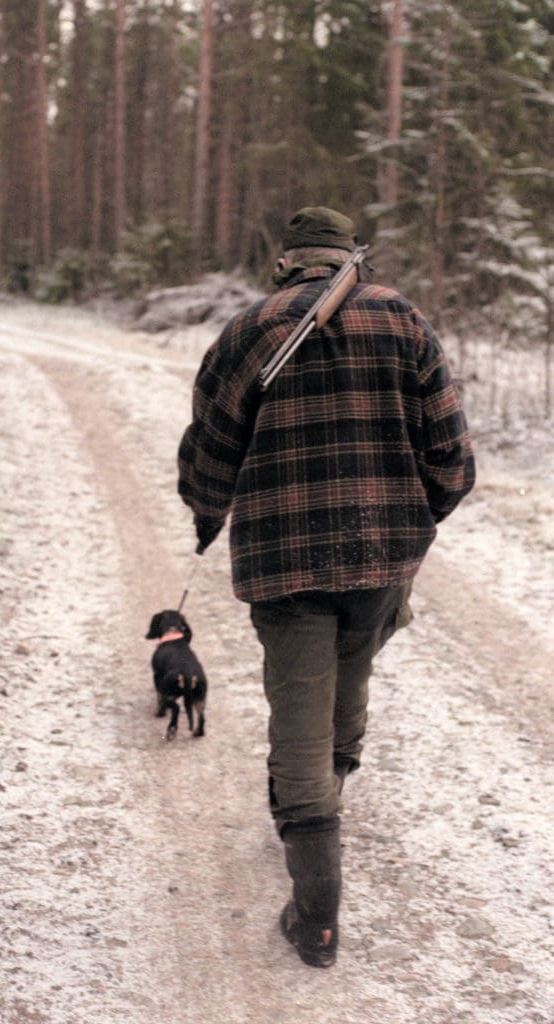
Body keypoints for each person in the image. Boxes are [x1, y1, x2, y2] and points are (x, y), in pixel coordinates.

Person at [177, 206, 475, 968]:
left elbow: (211, 448)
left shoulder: (249, 330)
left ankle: (315, 918)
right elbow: (451, 453)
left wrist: (208, 516)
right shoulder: (402, 319)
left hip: (284, 558)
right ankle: (325, 801)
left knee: (299, 710)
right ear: (349, 258)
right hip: (383, 556)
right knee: (352, 674)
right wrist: (416, 518)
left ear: (287, 262)